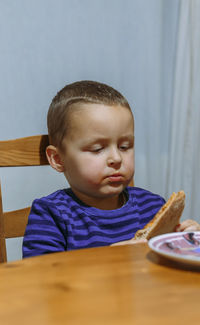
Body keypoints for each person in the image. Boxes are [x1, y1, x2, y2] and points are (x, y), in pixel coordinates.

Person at [22, 80, 200, 258]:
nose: (116, 158)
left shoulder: (152, 206)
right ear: (58, 159)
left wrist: (187, 243)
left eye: (124, 146)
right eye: (97, 149)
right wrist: (110, 258)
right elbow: (41, 277)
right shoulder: (50, 215)